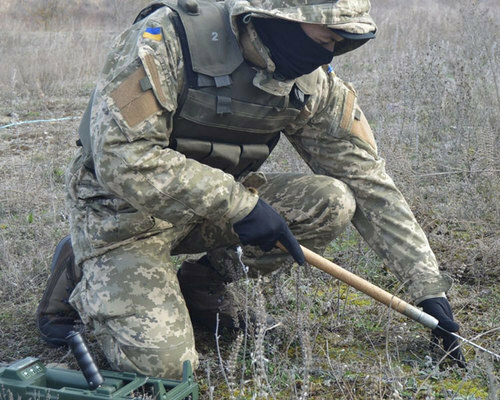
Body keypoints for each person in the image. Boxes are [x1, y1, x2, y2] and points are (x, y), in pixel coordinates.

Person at [36, 0, 465, 379]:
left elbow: (368, 181)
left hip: (209, 210)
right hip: (121, 214)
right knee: (168, 369)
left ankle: (202, 284)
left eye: (342, 44)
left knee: (332, 202)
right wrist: (239, 205)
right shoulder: (168, 39)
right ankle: (82, 258)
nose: (328, 54)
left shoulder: (310, 84)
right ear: (279, 17)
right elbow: (121, 158)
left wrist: (427, 289)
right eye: (326, 38)